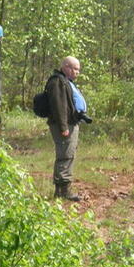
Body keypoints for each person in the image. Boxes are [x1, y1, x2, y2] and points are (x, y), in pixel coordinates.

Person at [45, 56, 90, 201]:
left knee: (69, 154)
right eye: (75, 69)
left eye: (78, 69)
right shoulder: (57, 82)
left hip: (71, 123)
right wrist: (63, 126)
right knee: (65, 155)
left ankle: (63, 189)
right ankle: (63, 191)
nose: (77, 72)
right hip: (64, 125)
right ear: (66, 67)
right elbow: (59, 106)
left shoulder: (66, 82)